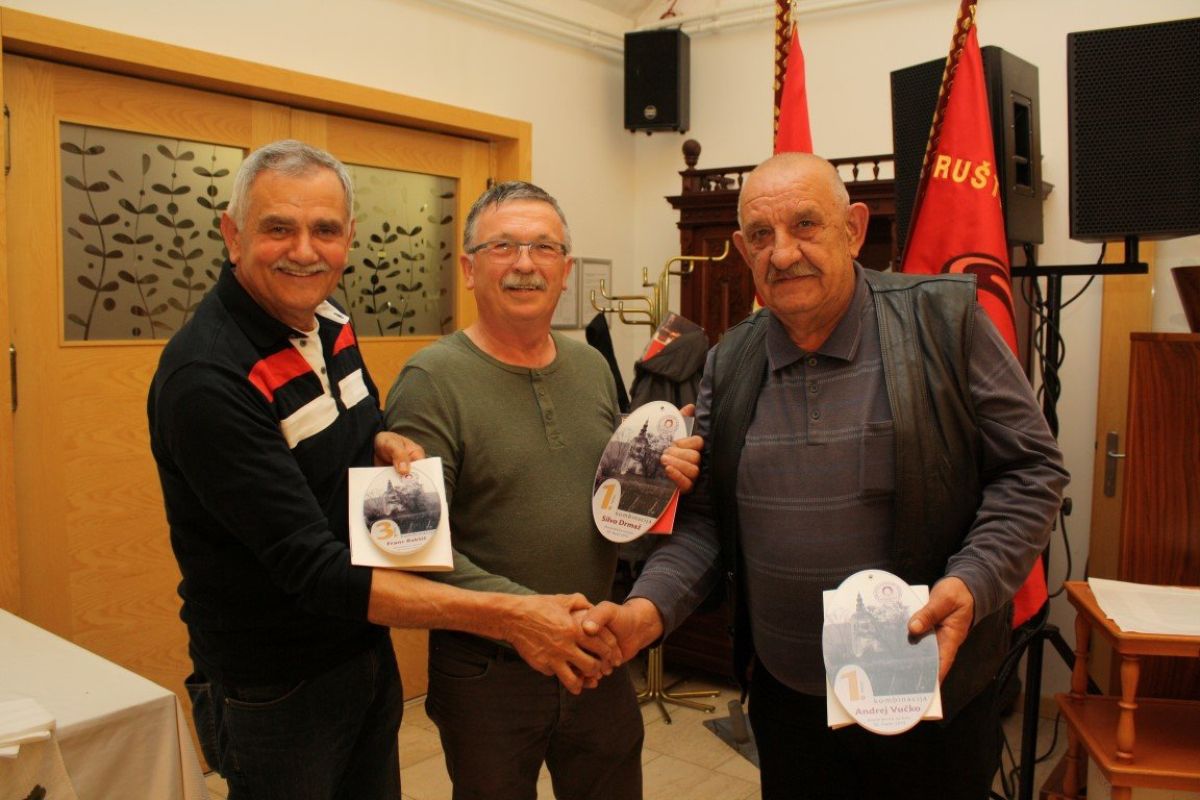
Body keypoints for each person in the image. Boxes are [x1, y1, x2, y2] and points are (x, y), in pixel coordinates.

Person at [584, 152, 1069, 799]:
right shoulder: (730, 361)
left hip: (925, 694)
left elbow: (1031, 470)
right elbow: (707, 527)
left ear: (854, 229)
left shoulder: (946, 324)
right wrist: (646, 611)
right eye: (762, 235)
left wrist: (973, 580)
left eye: (806, 225)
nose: (783, 253)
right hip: (788, 704)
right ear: (742, 250)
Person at [148, 142, 624, 800]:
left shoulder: (329, 322)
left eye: (324, 230)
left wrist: (380, 437)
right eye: (278, 228)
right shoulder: (207, 377)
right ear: (233, 235)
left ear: (348, 239)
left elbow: (355, 457)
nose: (304, 251)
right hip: (275, 684)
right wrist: (514, 617)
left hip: (361, 654)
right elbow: (314, 569)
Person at [383, 181, 701, 800]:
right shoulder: (430, 380)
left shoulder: (590, 366)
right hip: (488, 671)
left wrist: (664, 473)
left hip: (597, 650)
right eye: (503, 246)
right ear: (469, 268)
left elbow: (613, 496)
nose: (525, 264)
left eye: (544, 247)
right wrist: (528, 618)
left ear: (565, 270)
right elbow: (410, 546)